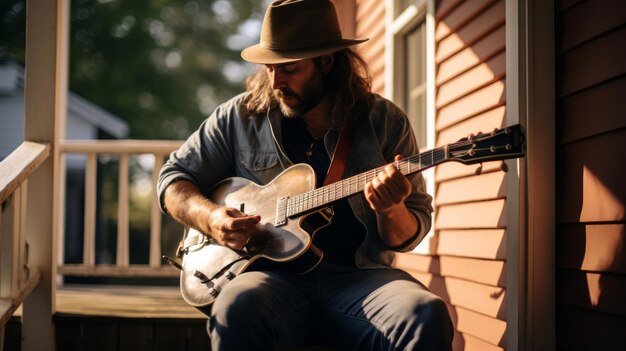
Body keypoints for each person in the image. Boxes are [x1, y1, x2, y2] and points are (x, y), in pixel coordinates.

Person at [157, 0, 453, 349]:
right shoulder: (239, 117)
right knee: (237, 305)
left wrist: (391, 209)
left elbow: (407, 235)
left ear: (326, 61)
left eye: (290, 68)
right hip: (269, 280)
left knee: (425, 313)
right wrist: (211, 219)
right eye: (270, 68)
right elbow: (173, 179)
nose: (276, 80)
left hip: (361, 280)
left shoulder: (385, 122)